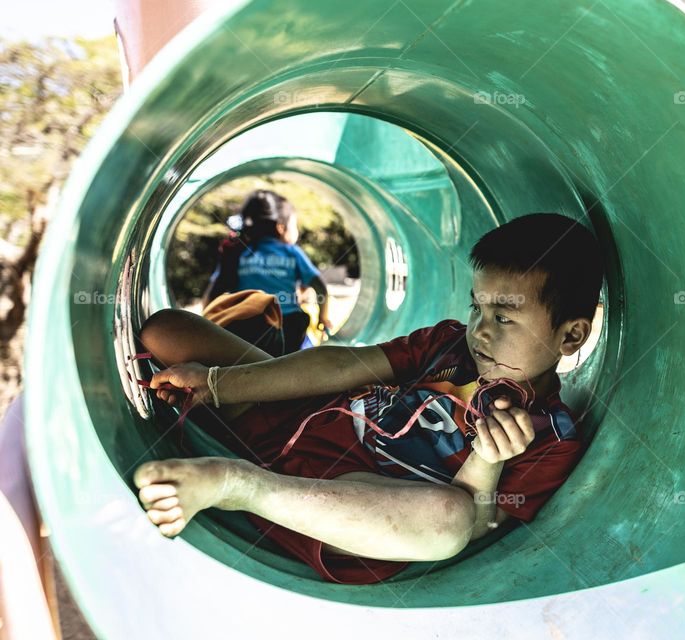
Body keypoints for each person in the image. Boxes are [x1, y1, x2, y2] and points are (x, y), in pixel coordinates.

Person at [135, 213, 603, 584]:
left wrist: (486, 460)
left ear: (571, 336)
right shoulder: (448, 343)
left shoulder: (552, 439)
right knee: (167, 330)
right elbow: (343, 366)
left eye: (504, 318)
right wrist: (216, 383)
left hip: (342, 499)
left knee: (449, 520)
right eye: (476, 307)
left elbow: (478, 529)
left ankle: (237, 485)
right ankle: (231, 428)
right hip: (305, 421)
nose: (479, 329)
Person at [201, 189, 333, 355]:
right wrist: (323, 318)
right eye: (295, 225)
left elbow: (212, 294)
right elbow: (320, 286)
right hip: (286, 329)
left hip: (245, 328)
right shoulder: (291, 252)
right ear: (280, 227)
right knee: (300, 320)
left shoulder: (237, 252)